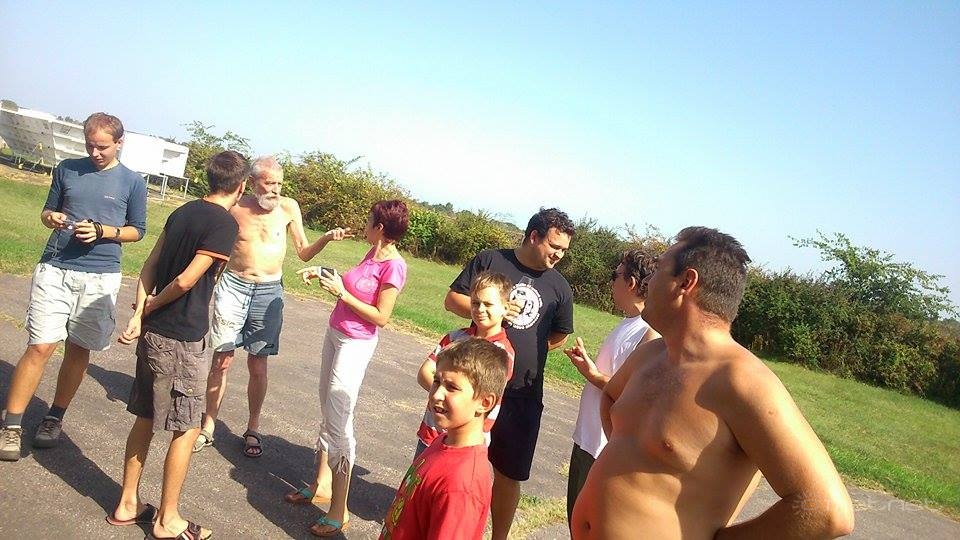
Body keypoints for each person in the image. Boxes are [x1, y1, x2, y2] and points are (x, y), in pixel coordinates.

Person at [571, 227, 855, 539]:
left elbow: (829, 510)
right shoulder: (651, 354)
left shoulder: (742, 382)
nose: (648, 282)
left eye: (658, 271)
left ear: (685, 283)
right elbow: (611, 397)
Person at [108, 150, 246, 540]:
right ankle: (168, 520)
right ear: (241, 186)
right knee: (186, 427)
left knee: (145, 417)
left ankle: (128, 503)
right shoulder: (224, 223)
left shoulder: (182, 212)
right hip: (182, 338)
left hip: (153, 334)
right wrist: (151, 305)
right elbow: (187, 280)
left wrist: (139, 314)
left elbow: (149, 265)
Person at [0, 112, 147, 461]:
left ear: (119, 143)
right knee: (40, 346)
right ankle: (12, 424)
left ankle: (54, 417)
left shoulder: (132, 182)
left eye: (103, 147)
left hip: (100, 276)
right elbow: (47, 211)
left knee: (79, 349)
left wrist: (103, 232)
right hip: (56, 268)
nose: (95, 153)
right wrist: (50, 217)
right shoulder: (67, 169)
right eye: (90, 145)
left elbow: (138, 230)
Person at [196, 155, 352, 458]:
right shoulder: (235, 206)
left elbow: (304, 252)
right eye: (269, 183)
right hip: (234, 286)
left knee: (258, 363)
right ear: (252, 182)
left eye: (279, 183)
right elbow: (214, 246)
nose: (275, 189)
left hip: (269, 291)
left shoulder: (288, 208)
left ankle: (253, 428)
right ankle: (208, 426)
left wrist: (326, 239)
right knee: (222, 359)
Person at [444, 207, 575, 540]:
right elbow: (453, 299)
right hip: (475, 388)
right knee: (459, 460)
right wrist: (491, 314)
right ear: (534, 236)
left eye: (564, 250)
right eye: (554, 246)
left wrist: (525, 351)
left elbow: (559, 335)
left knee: (509, 473)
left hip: (522, 394)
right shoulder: (491, 260)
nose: (559, 255)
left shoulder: (560, 287)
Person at [291, 199, 409, 537]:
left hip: (355, 344)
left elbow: (381, 317)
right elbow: (354, 285)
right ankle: (320, 485)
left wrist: (341, 293)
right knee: (327, 409)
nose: (365, 224)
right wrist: (323, 272)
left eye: (369, 220)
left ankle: (338, 510)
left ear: (380, 228)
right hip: (335, 333)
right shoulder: (372, 253)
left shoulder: (394, 266)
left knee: (339, 420)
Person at [562, 249, 660, 524]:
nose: (611, 281)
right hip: (588, 437)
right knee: (575, 521)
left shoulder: (649, 332)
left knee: (588, 525)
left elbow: (633, 393)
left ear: (631, 283)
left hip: (604, 447)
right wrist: (590, 368)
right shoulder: (629, 323)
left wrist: (593, 375)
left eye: (614, 275)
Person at [380, 338, 510, 540]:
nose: (437, 394)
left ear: (485, 402)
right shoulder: (442, 440)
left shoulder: (462, 486)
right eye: (437, 381)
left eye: (452, 387)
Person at [415, 271, 515, 456]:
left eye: (488, 304)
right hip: (432, 433)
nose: (480, 309)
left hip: (465, 443)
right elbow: (424, 373)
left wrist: (443, 393)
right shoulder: (454, 337)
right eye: (475, 303)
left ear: (505, 308)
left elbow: (479, 396)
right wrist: (449, 396)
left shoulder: (501, 354)